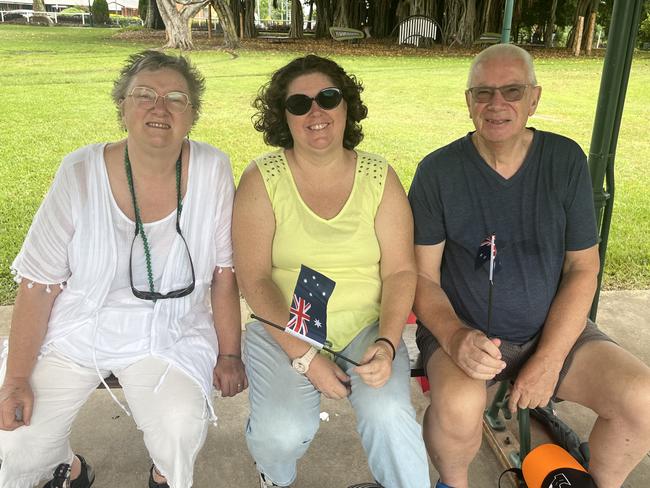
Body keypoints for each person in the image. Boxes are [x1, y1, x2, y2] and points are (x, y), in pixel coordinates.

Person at [0, 50, 247, 488]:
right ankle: (65, 465)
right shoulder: (79, 171)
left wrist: (229, 354)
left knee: (178, 428)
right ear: (123, 107)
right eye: (144, 95)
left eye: (176, 97)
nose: (160, 107)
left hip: (169, 332)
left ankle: (163, 473)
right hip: (78, 327)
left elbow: (224, 274)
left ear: (192, 114)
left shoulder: (213, 168)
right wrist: (16, 379)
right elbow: (39, 286)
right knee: (16, 443)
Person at [409, 43, 650, 488]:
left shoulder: (565, 161)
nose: (496, 104)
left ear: (534, 98)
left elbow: (583, 267)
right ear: (468, 103)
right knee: (459, 408)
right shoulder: (437, 172)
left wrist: (550, 356)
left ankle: (592, 483)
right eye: (483, 93)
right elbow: (421, 277)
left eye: (512, 91)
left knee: (643, 399)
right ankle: (453, 482)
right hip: (466, 334)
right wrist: (455, 336)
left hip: (553, 330)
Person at [233, 54, 430, 488]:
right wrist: (305, 356)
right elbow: (254, 278)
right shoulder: (262, 177)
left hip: (365, 325)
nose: (315, 111)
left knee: (389, 414)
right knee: (282, 431)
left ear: (346, 106)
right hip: (285, 325)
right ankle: (275, 477)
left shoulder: (379, 176)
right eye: (299, 104)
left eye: (327, 97)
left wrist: (387, 343)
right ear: (283, 117)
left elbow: (400, 271)